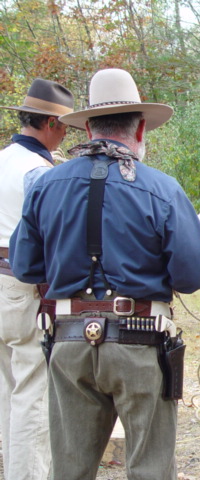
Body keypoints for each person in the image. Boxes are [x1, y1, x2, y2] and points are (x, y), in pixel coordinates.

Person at [9, 68, 200, 480]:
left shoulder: (46, 186)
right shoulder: (162, 188)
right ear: (140, 128)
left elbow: (25, 266)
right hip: (140, 340)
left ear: (86, 127)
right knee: (150, 469)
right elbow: (193, 274)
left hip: (68, 342)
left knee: (68, 469)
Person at [0, 78, 74, 480]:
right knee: (33, 393)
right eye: (63, 127)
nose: (64, 135)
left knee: (10, 393)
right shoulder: (37, 172)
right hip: (23, 285)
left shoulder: (3, 159)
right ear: (50, 123)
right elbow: (49, 235)